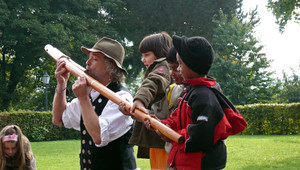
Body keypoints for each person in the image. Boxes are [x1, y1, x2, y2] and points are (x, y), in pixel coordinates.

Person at [150, 35, 247, 170]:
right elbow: (176, 120)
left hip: (197, 165)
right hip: (183, 163)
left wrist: (172, 136)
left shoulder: (204, 96)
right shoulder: (189, 92)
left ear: (191, 66)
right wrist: (161, 125)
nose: (178, 69)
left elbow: (201, 134)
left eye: (180, 64)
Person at [52, 37, 137, 170]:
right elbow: (58, 119)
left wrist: (83, 98)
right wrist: (61, 83)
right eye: (89, 58)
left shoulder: (121, 97)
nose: (87, 62)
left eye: (95, 59)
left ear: (111, 67)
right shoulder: (90, 93)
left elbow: (98, 137)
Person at [119, 32, 172, 170]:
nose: (143, 60)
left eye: (147, 55)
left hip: (163, 138)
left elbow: (154, 82)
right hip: (158, 138)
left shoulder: (163, 66)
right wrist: (133, 111)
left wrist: (140, 100)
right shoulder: (160, 68)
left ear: (160, 53)